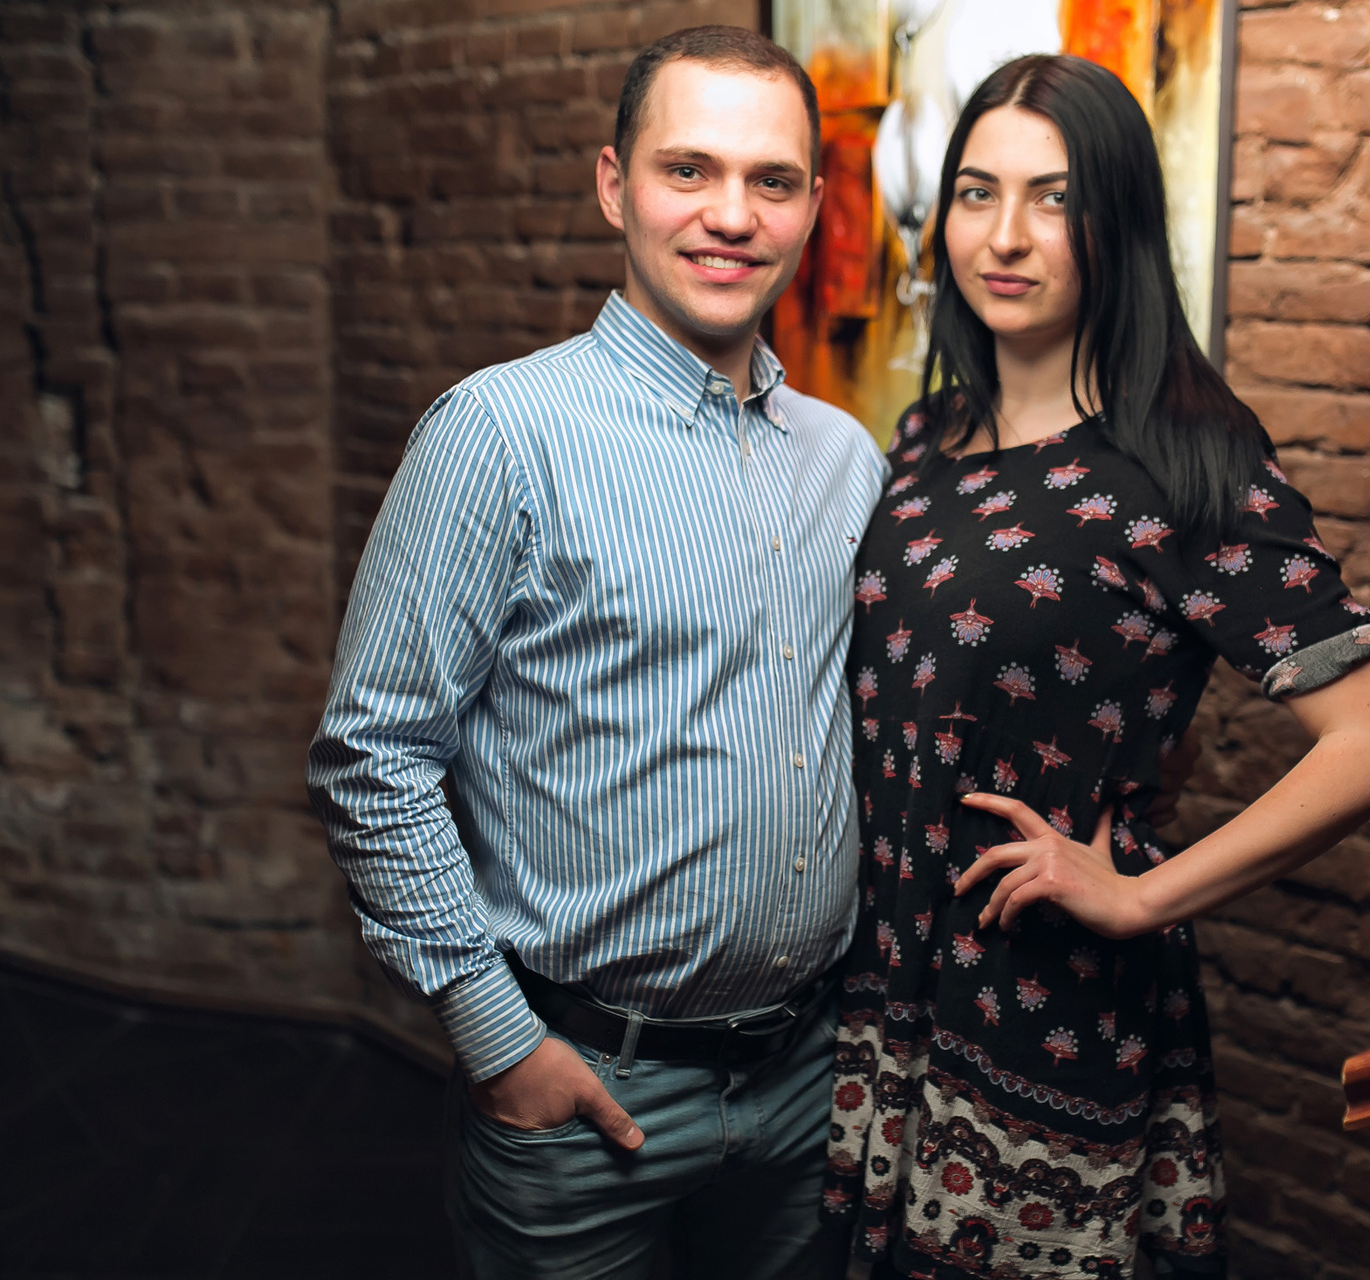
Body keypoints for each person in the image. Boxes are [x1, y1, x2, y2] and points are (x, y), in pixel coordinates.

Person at [823, 55, 1370, 1280]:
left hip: (1040, 996)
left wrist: (1146, 896)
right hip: (882, 977)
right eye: (978, 192)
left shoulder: (1183, 455)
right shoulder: (926, 435)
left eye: (1055, 198)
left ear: (1120, 224)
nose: (1005, 235)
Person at [306, 26, 889, 1280]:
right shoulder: (499, 434)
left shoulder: (847, 457)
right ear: (615, 185)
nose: (731, 214)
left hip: (808, 1080)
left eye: (773, 180)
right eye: (689, 170)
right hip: (582, 1083)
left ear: (812, 208)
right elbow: (374, 755)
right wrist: (498, 1039)